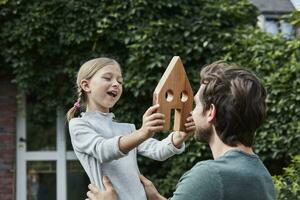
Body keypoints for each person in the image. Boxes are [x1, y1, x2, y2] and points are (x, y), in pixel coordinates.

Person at [86, 60, 276, 200]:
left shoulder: (209, 176)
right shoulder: (261, 175)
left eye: (196, 105)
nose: (191, 113)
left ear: (211, 112)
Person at [66, 57, 195, 200]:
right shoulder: (79, 125)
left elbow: (158, 151)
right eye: (108, 78)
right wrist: (142, 133)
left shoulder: (127, 129)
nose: (116, 84)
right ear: (86, 85)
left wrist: (180, 135)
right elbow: (103, 150)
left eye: (119, 81)